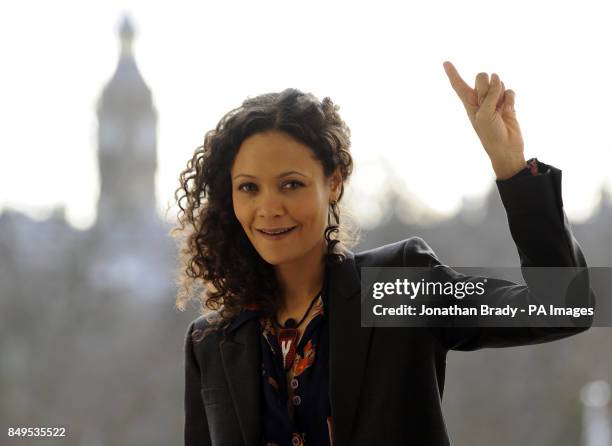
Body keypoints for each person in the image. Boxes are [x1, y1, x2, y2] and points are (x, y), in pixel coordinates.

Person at [174, 61, 594, 446]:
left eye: (291, 184)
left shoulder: (395, 288)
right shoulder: (211, 341)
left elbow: (562, 306)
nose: (269, 208)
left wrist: (512, 169)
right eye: (249, 187)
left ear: (333, 182)